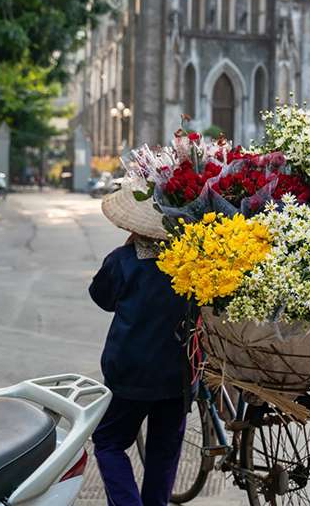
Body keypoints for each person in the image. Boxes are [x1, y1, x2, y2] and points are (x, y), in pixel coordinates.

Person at [90, 188, 198, 506]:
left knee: (108, 442)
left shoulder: (123, 260)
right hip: (178, 375)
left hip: (129, 373)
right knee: (163, 456)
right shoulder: (193, 262)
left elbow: (102, 297)